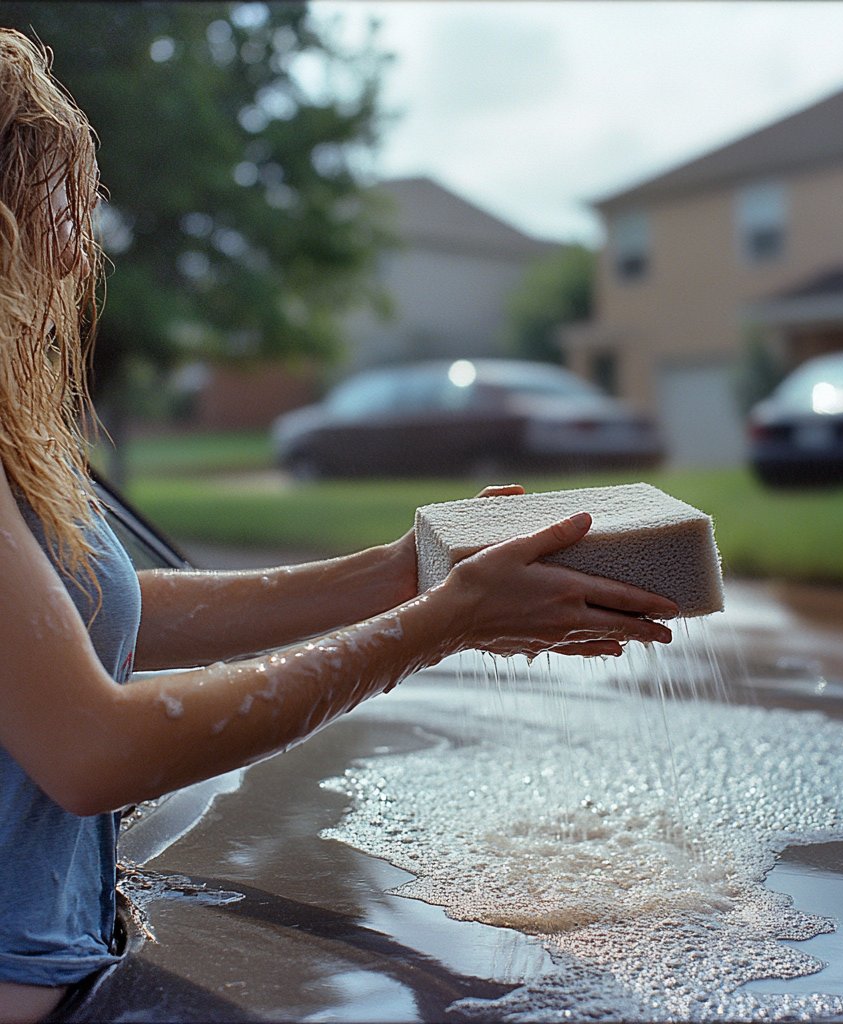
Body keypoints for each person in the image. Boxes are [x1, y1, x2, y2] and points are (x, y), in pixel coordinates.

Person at [0, 27, 678, 1024]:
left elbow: (88, 612)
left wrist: (406, 569)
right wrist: (435, 627)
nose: (82, 242)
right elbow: (92, 749)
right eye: (65, 192)